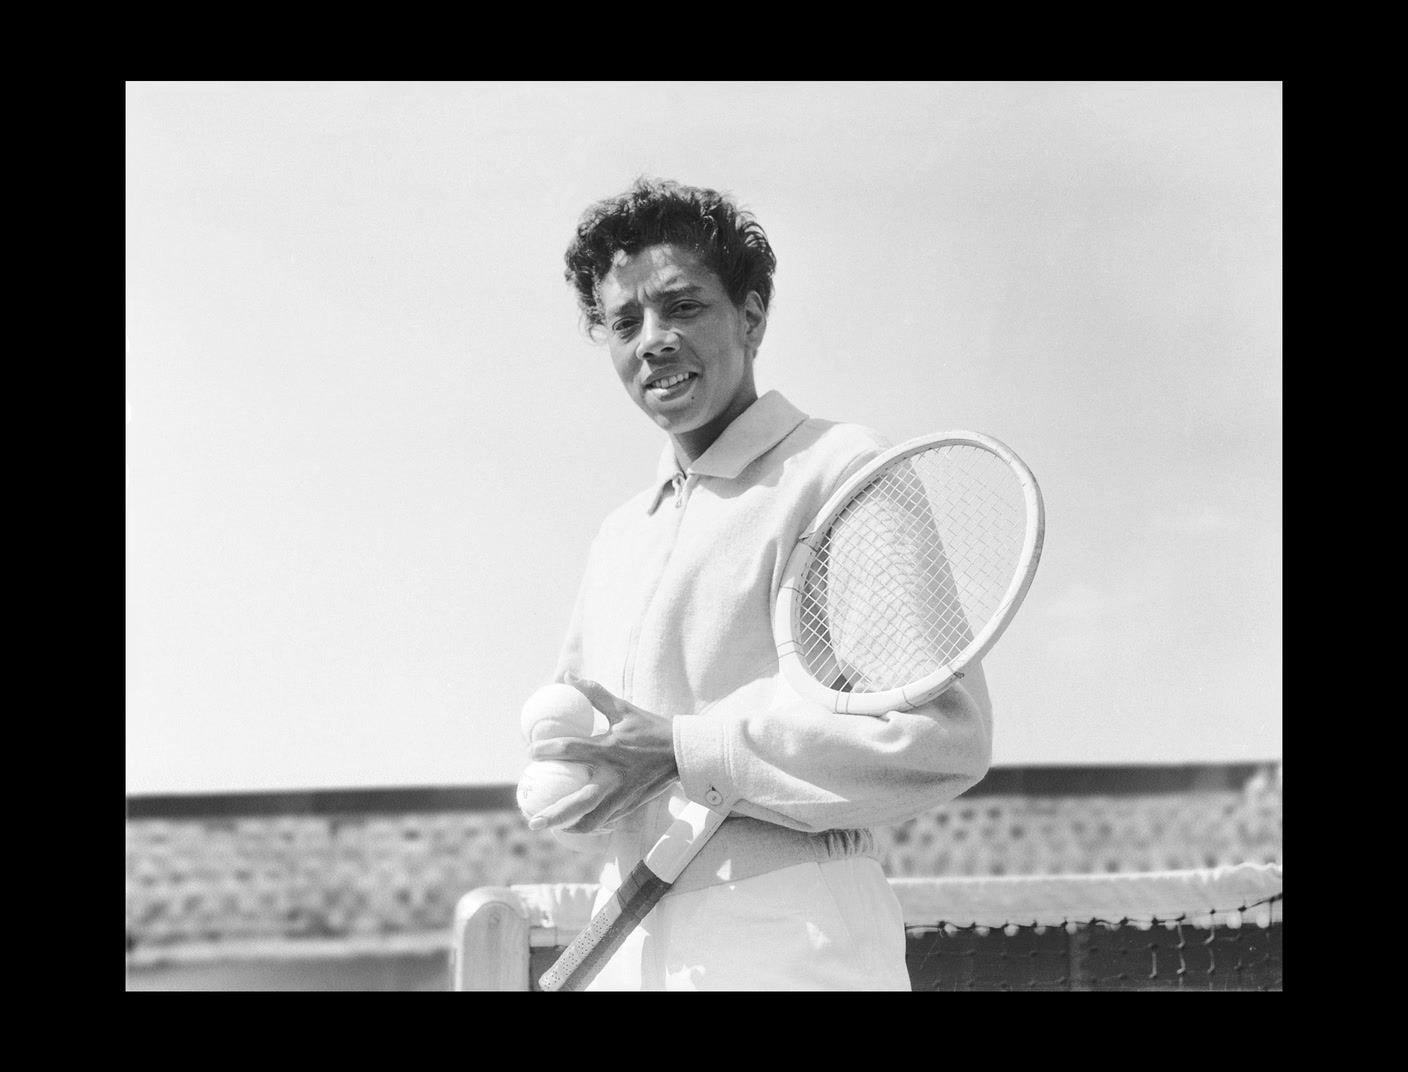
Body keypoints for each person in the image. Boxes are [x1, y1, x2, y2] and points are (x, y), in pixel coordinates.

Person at [526, 178, 993, 990]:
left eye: (684, 307)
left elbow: (943, 741)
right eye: (625, 321)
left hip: (792, 942)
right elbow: (613, 763)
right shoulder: (619, 535)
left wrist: (684, 749)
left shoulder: (840, 469)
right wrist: (574, 781)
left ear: (751, 315)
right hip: (629, 944)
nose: (654, 340)